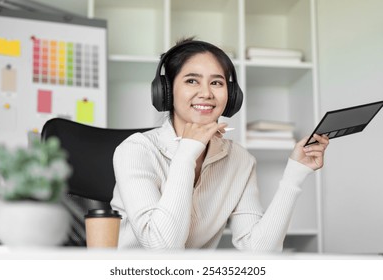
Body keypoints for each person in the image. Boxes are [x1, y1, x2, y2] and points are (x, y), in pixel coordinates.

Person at [111, 38, 329, 251]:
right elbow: (162, 249)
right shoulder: (135, 150)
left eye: (216, 82)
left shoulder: (239, 159)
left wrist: (294, 174)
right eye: (191, 81)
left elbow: (258, 252)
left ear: (231, 95)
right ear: (166, 91)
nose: (206, 93)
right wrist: (186, 153)